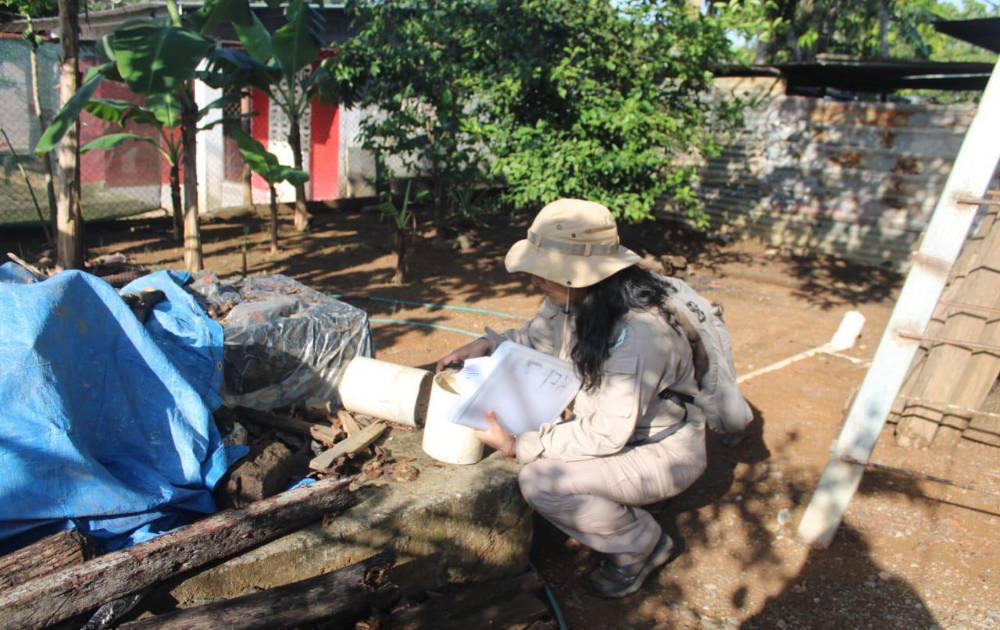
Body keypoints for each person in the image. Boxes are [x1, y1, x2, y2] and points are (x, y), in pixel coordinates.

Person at [435, 198, 707, 598]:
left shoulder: (639, 335)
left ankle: (641, 545)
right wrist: (486, 345)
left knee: (541, 481)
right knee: (545, 445)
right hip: (626, 435)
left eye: (547, 270)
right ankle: (624, 503)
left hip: (660, 451)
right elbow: (537, 339)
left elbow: (604, 434)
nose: (535, 279)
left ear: (585, 275)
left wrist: (518, 444)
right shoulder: (576, 299)